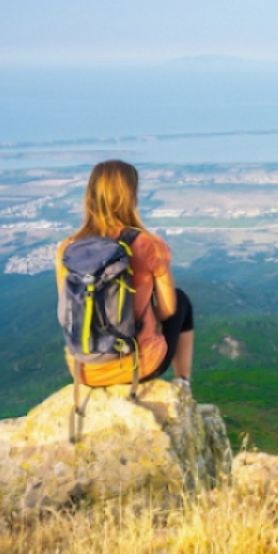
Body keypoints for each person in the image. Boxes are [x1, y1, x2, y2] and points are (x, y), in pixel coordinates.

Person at [55, 159, 194, 391]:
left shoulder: (68, 249)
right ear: (132, 197)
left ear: (90, 196)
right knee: (180, 301)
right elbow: (168, 309)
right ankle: (183, 381)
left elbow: (68, 308)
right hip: (140, 365)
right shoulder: (149, 244)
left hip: (85, 370)